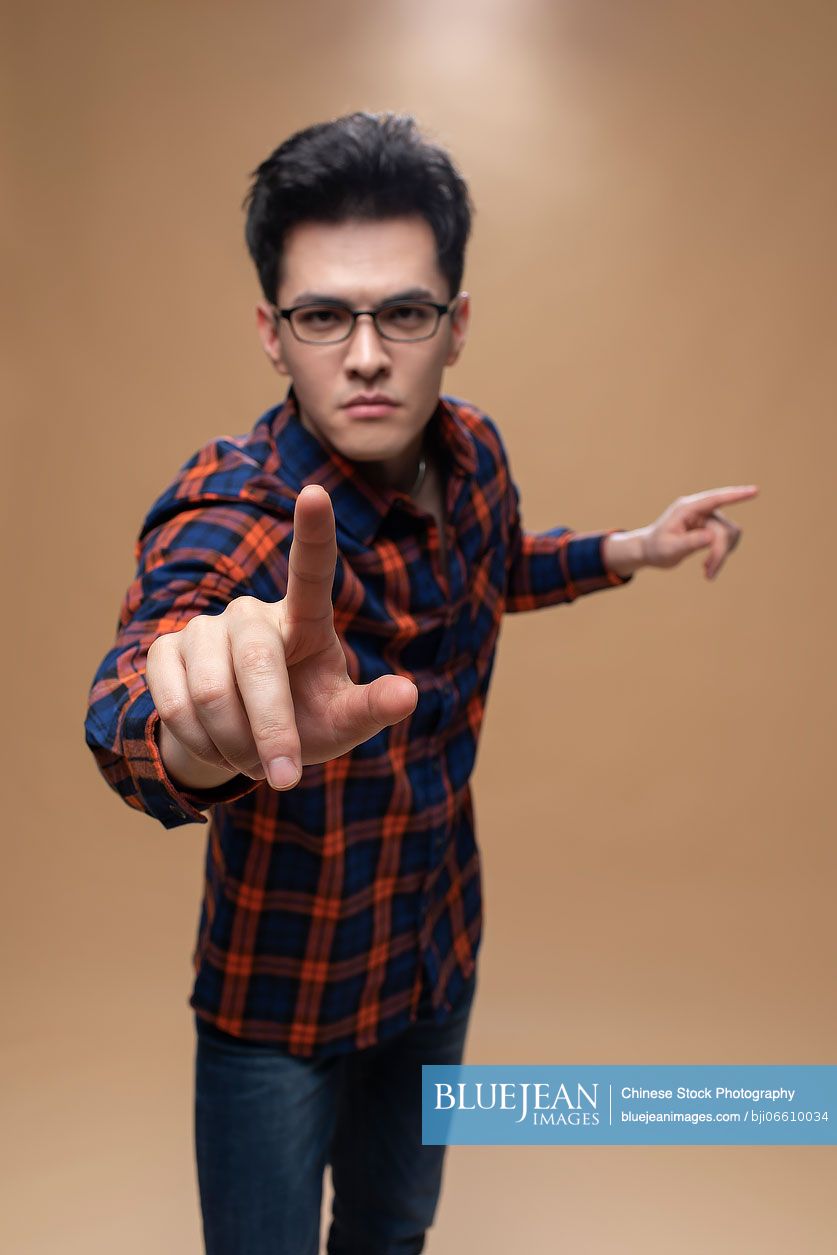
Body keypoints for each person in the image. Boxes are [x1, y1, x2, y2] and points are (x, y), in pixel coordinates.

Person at [84, 110, 758, 1254]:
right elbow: (137, 693)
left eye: (402, 311)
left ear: (454, 324)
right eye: (321, 315)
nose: (362, 353)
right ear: (270, 329)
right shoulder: (246, 508)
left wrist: (624, 550)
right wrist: (191, 732)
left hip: (435, 948)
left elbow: (490, 569)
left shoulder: (476, 450)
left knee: (394, 1234)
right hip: (281, 993)